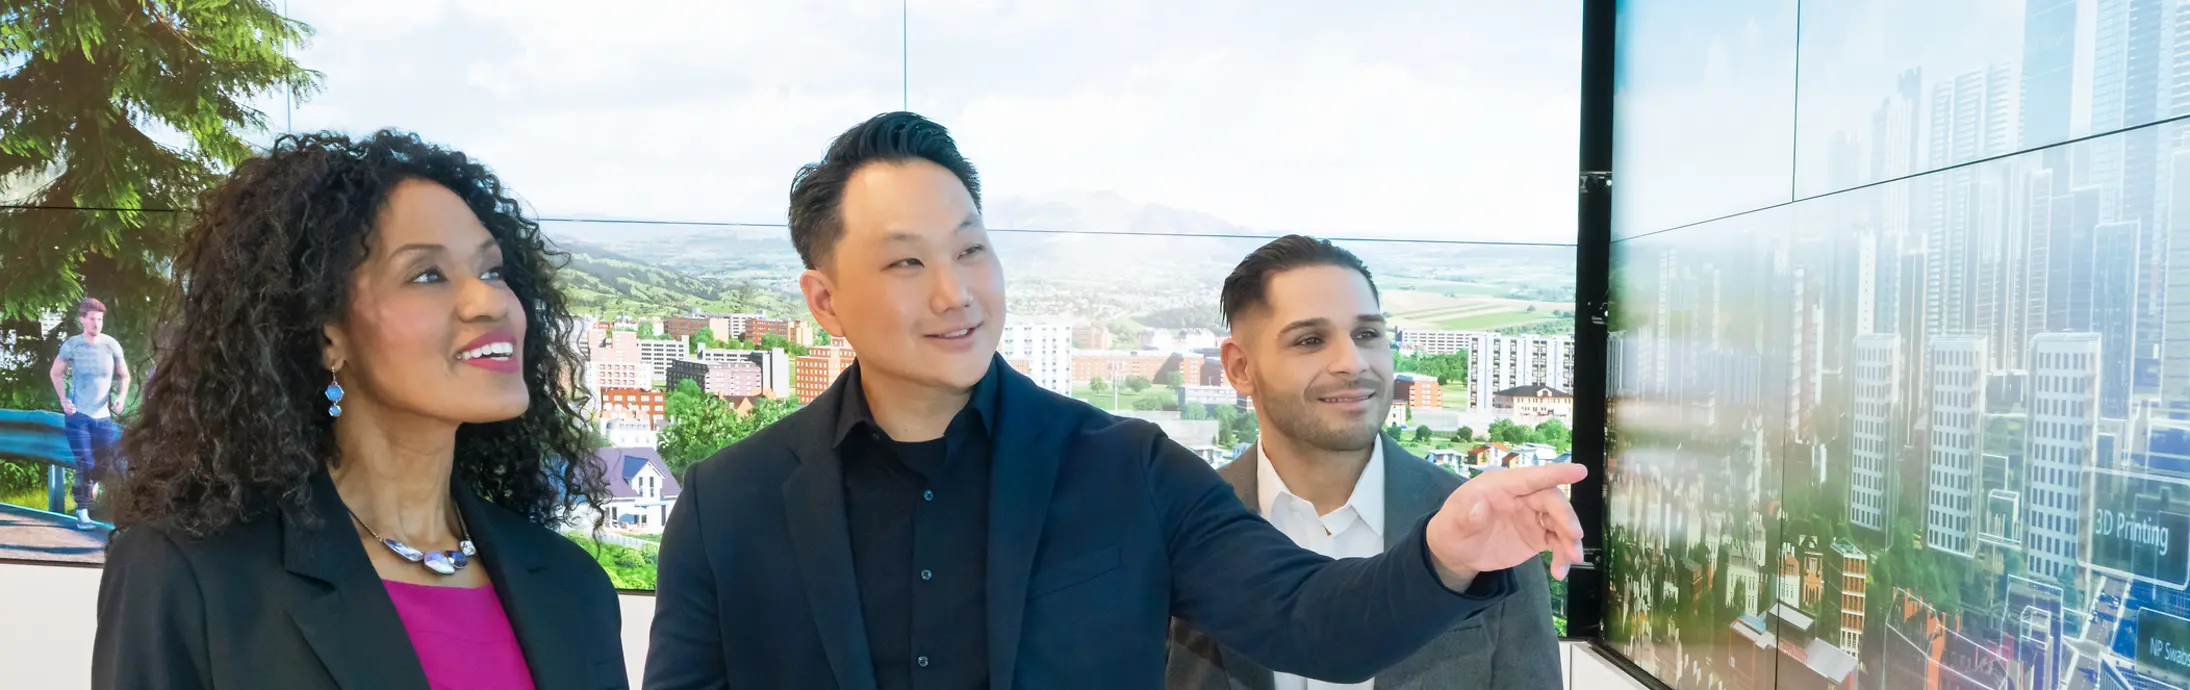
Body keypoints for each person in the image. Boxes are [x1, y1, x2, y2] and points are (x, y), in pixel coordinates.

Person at [645, 112, 1588, 689]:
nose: (955, 293)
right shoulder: (731, 503)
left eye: (973, 249)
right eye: (906, 262)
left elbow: (1314, 621)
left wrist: (1443, 551)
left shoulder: (1126, 469)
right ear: (824, 300)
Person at [92, 131, 628, 690]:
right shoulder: (190, 576)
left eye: (492, 270)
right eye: (427, 275)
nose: (490, 301)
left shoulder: (573, 587)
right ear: (327, 336)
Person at [1166, 235, 1563, 689]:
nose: (1352, 363)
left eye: (1367, 334)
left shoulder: (1484, 521)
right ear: (1239, 368)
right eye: (1310, 340)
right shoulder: (1178, 531)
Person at [51, 297, 129, 529]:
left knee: (105, 462)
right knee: (84, 462)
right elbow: (56, 373)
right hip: (78, 415)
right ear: (82, 320)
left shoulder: (111, 345)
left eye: (100, 320)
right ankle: (82, 511)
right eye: (92, 319)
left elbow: (124, 375)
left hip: (102, 415)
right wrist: (64, 400)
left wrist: (121, 397)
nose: (97, 324)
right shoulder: (72, 345)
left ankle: (92, 482)